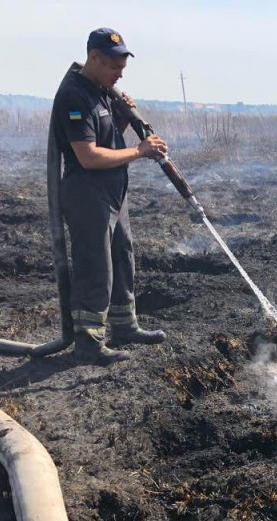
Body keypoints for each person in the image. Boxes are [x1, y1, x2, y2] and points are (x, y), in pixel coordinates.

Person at [52, 28, 168, 364]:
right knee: (96, 267)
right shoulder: (75, 95)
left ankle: (124, 326)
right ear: (94, 58)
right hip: (87, 194)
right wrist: (140, 151)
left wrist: (122, 118)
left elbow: (106, 137)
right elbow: (88, 156)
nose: (120, 74)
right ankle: (88, 342)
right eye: (114, 67)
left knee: (122, 257)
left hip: (113, 192)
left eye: (122, 67)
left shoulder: (101, 91)